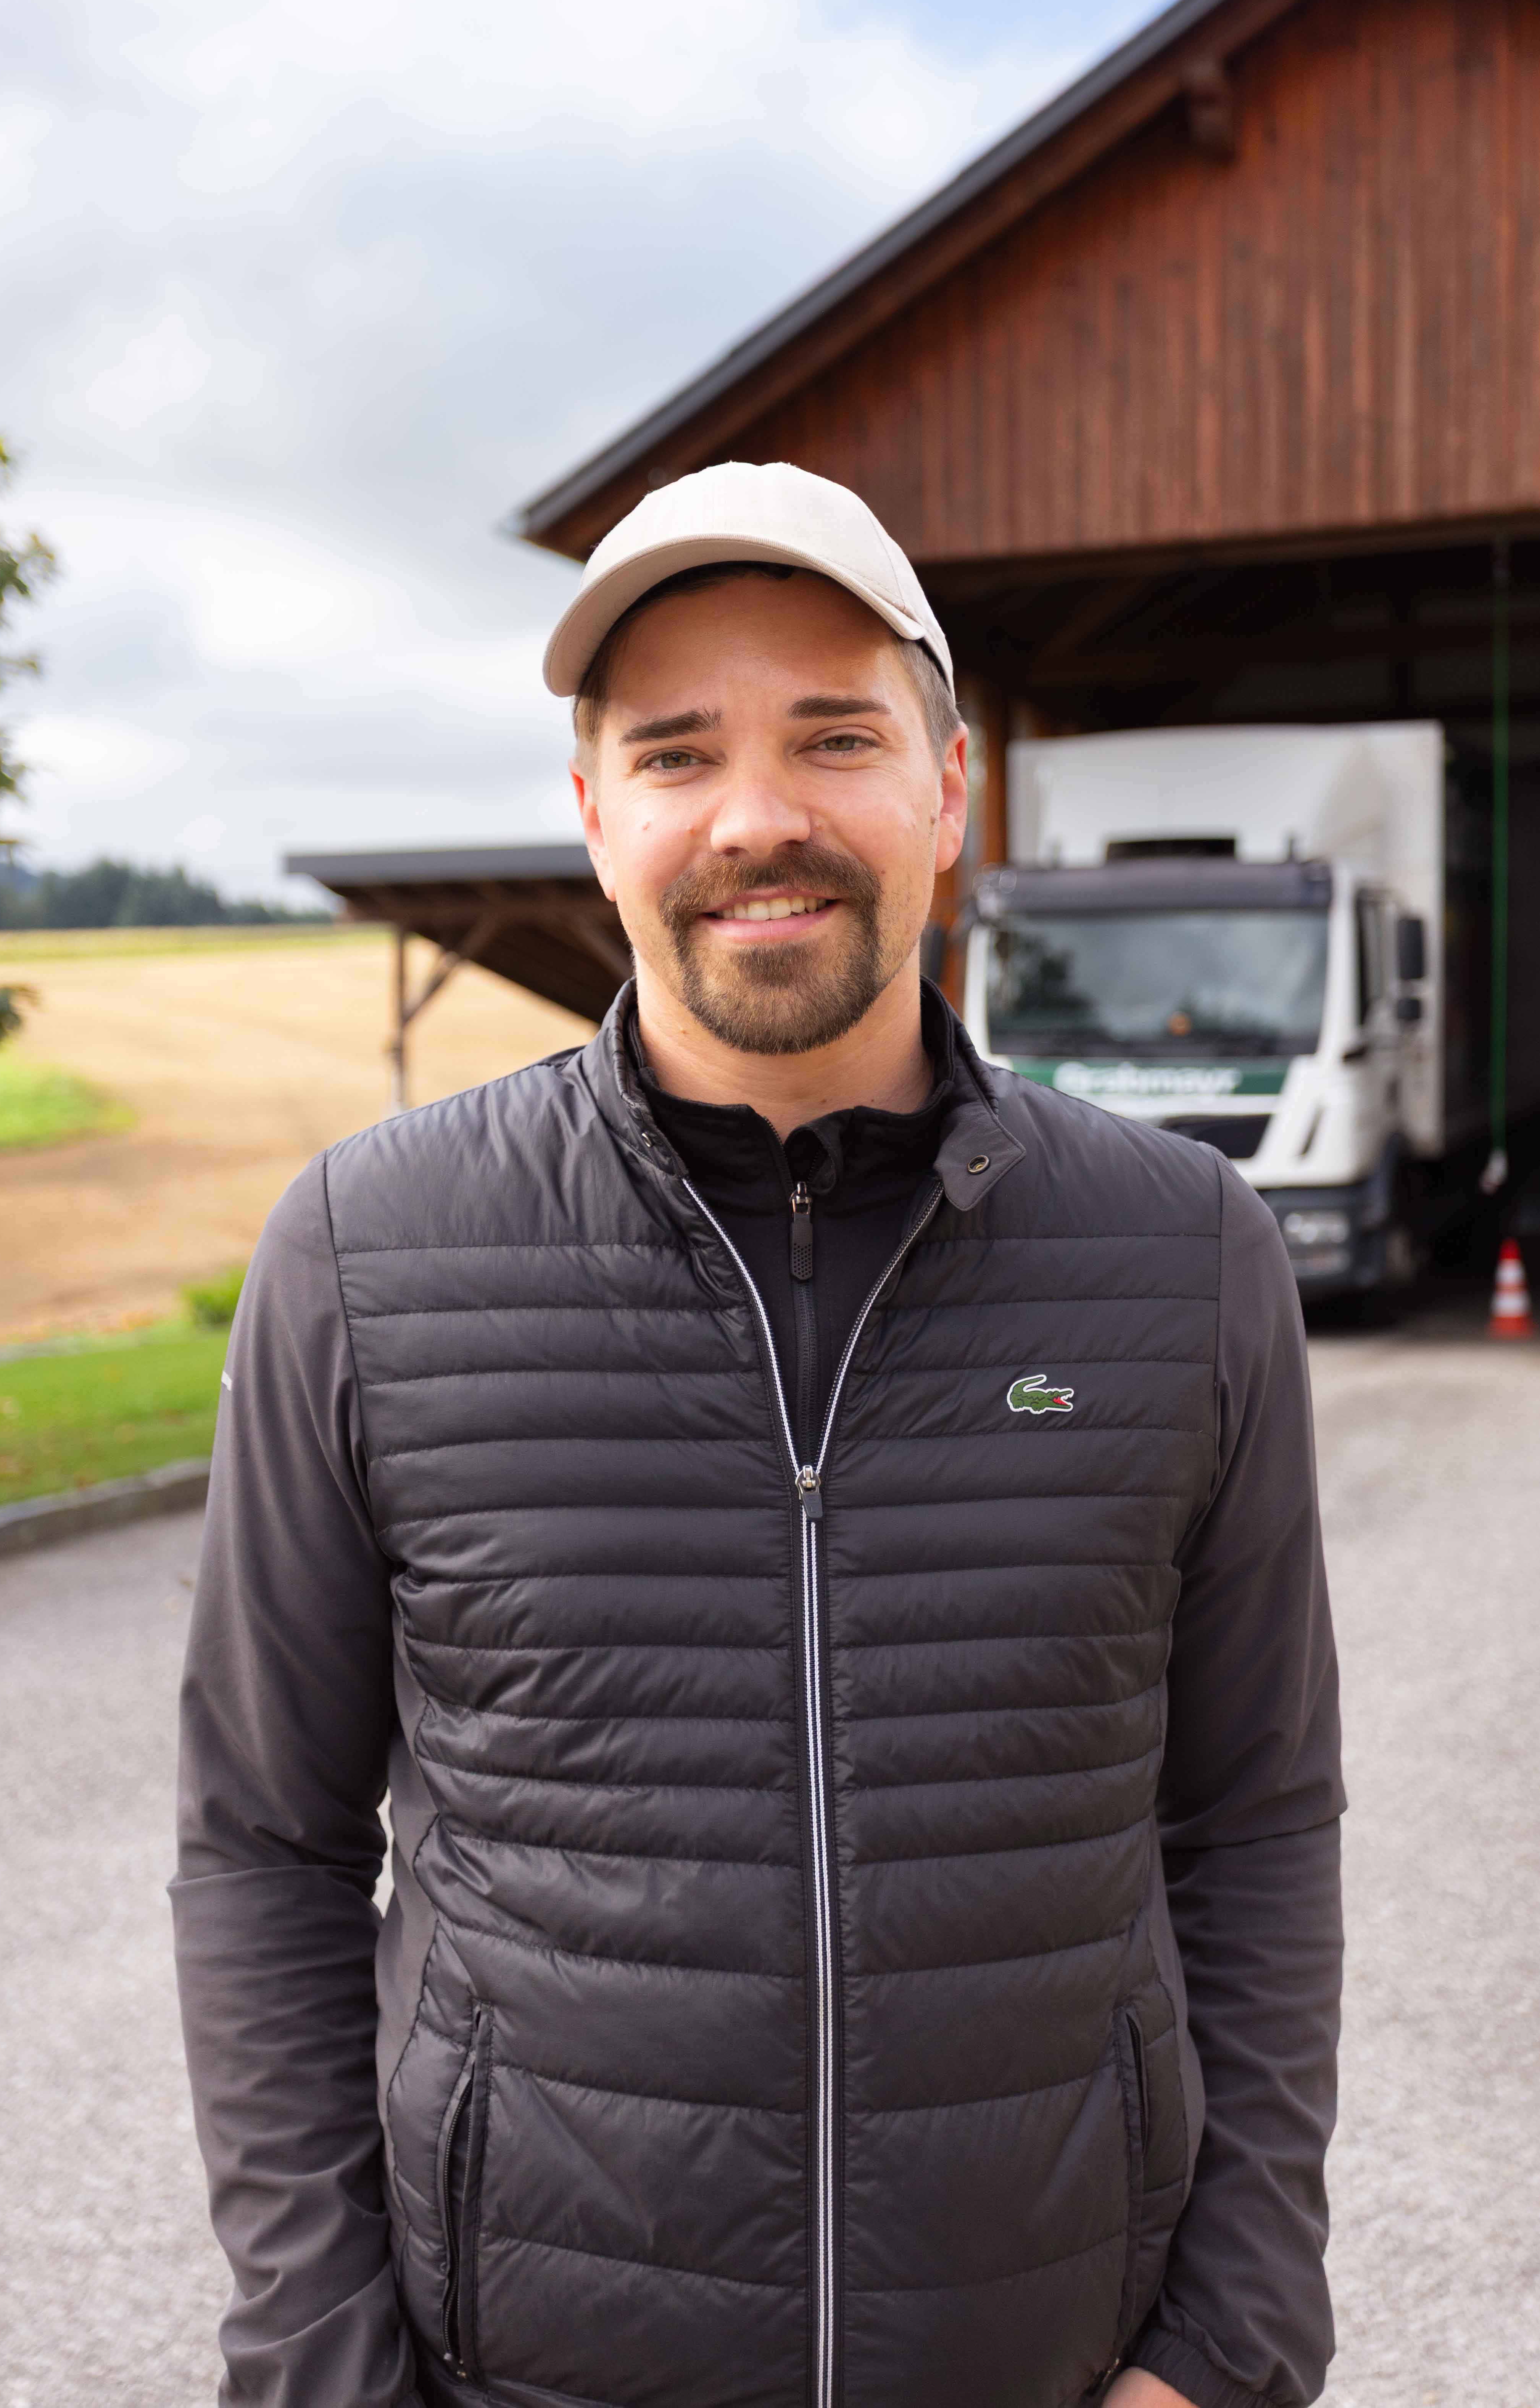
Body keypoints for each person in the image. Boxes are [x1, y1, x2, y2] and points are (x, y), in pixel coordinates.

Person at [172, 461, 1343, 2408]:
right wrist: (318, 2362)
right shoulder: (369, 1256)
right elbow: (262, 1852)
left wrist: (1231, 2346)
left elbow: (1255, 1822)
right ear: (593, 813)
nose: (759, 819)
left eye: (835, 737)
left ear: (951, 790)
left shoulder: (1188, 1257)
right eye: (677, 752)